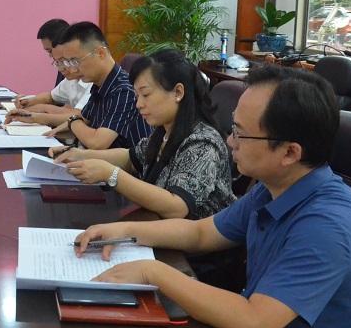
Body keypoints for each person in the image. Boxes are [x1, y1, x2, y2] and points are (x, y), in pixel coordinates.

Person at [77, 65, 351, 328]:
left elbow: (253, 325)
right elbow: (201, 232)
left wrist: (153, 272)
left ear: (289, 153)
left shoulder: (327, 226)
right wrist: (123, 231)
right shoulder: (275, 187)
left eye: (240, 134)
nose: (229, 142)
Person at [49, 49, 235, 220]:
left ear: (178, 92)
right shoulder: (165, 130)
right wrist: (80, 155)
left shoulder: (202, 142)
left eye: (146, 95)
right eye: (137, 96)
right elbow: (131, 158)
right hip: (158, 228)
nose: (138, 104)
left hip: (194, 243)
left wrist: (111, 174)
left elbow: (177, 207)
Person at [11, 21, 150, 149]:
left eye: (76, 61)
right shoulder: (98, 84)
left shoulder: (124, 90)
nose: (72, 70)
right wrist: (45, 128)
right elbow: (82, 120)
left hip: (121, 167)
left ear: (100, 53)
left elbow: (97, 142)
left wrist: (73, 121)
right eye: (69, 63)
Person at [9, 21, 93, 119]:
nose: (51, 56)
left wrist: (42, 110)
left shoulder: (92, 81)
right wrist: (28, 101)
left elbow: (79, 115)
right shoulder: (70, 79)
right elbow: (52, 97)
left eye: (65, 61)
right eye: (58, 63)